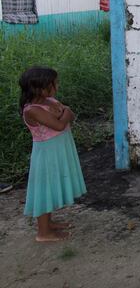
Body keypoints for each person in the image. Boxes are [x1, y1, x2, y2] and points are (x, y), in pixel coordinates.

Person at [19, 67, 87, 242]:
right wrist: (65, 114)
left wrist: (63, 114)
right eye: (53, 84)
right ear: (39, 88)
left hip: (58, 150)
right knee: (43, 190)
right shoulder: (32, 110)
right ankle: (43, 233)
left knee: (49, 188)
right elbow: (59, 125)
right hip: (47, 154)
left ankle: (48, 223)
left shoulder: (48, 100)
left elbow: (66, 113)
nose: (57, 86)